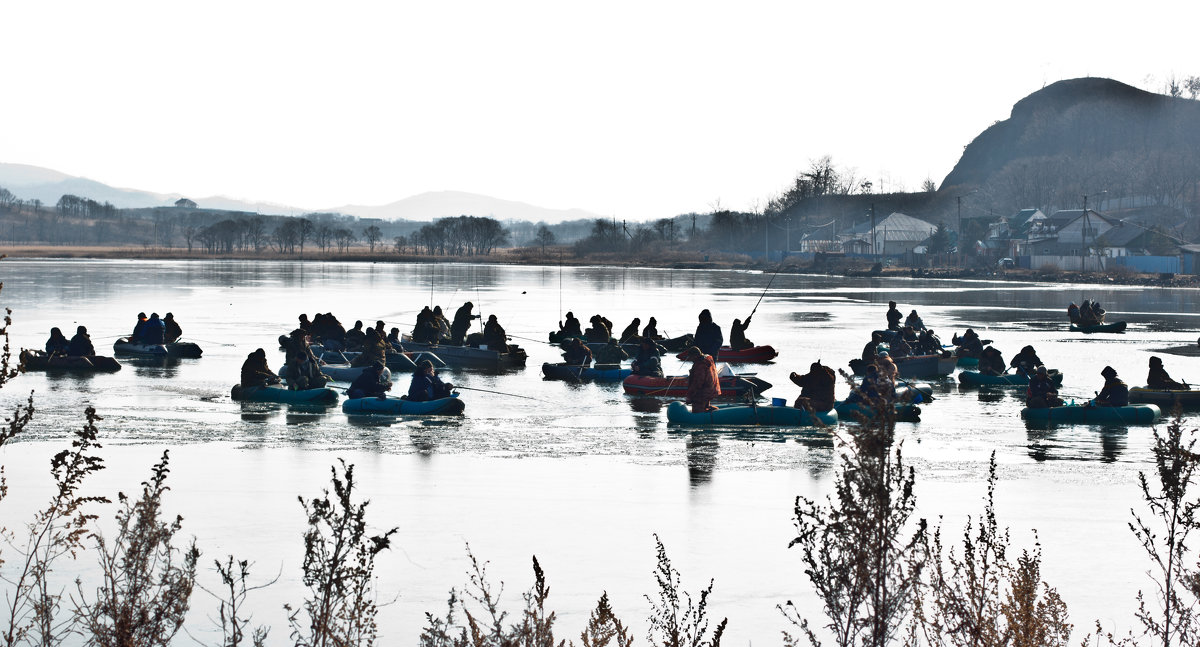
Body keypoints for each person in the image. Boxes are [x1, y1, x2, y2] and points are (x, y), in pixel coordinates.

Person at [683, 346, 721, 413]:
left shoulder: (700, 365)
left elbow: (698, 382)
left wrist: (690, 396)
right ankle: (712, 411)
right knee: (706, 405)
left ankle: (713, 414)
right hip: (710, 390)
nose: (690, 359)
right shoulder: (706, 360)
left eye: (691, 357)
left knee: (697, 410)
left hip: (702, 392)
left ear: (695, 356)